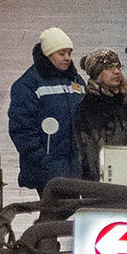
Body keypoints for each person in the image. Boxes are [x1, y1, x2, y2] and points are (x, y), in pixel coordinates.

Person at [7, 27, 86, 192]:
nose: (67, 58)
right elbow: (22, 128)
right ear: (48, 55)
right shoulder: (28, 85)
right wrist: (43, 160)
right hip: (47, 169)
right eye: (62, 53)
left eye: (69, 53)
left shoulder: (75, 80)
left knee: (63, 212)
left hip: (74, 166)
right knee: (57, 211)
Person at [76, 48, 127, 181]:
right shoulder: (90, 108)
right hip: (106, 186)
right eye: (110, 67)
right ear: (98, 73)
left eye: (118, 66)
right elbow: (90, 157)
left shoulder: (123, 103)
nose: (117, 71)